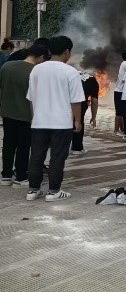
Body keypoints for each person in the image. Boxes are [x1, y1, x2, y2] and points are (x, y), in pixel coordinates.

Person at [25, 36, 85, 202]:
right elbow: (76, 100)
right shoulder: (70, 72)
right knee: (57, 157)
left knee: (36, 156)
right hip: (61, 123)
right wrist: (77, 121)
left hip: (39, 121)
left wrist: (34, 117)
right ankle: (54, 191)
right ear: (66, 51)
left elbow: (30, 98)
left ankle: (33, 190)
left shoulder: (36, 70)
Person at [0, 45, 46, 187]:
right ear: (41, 57)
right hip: (26, 115)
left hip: (7, 112)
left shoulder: (7, 66)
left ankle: (6, 175)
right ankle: (20, 176)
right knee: (23, 146)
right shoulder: (36, 71)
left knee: (8, 143)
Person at [70, 70, 100, 156]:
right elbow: (94, 101)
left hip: (65, 102)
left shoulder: (70, 75)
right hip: (81, 103)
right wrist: (93, 117)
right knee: (78, 122)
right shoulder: (92, 80)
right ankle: (77, 148)